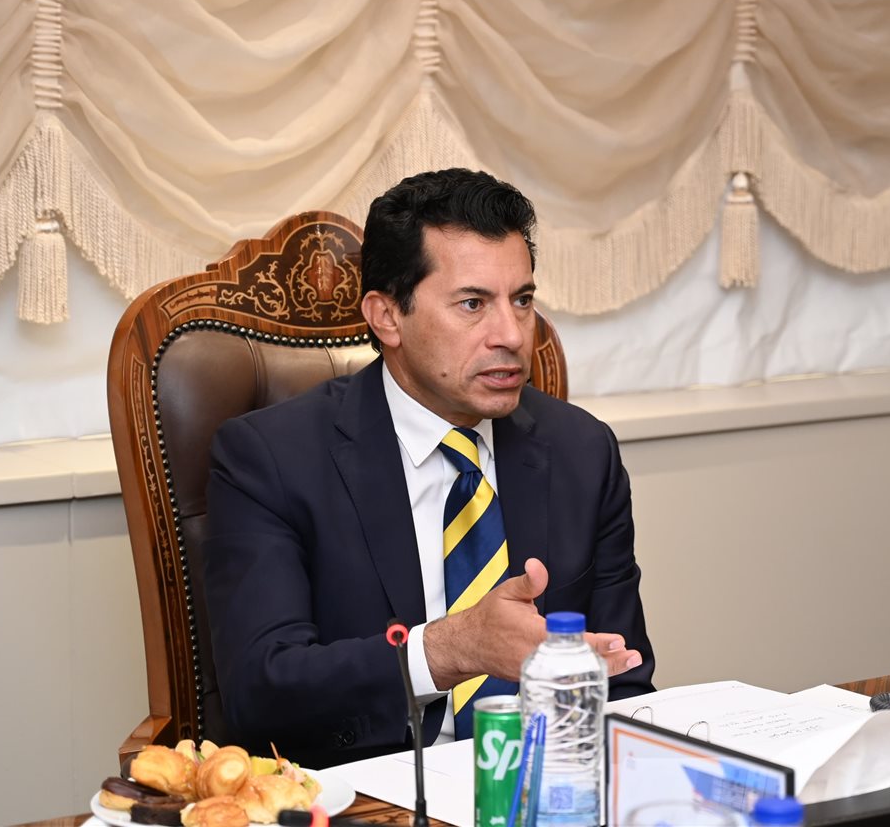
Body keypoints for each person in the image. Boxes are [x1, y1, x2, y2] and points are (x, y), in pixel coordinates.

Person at [205, 168, 654, 766]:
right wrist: (448, 650)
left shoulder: (581, 450)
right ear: (387, 316)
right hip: (370, 791)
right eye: (473, 304)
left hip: (547, 783)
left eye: (522, 300)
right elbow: (260, 691)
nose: (512, 334)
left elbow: (624, 678)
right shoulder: (271, 458)